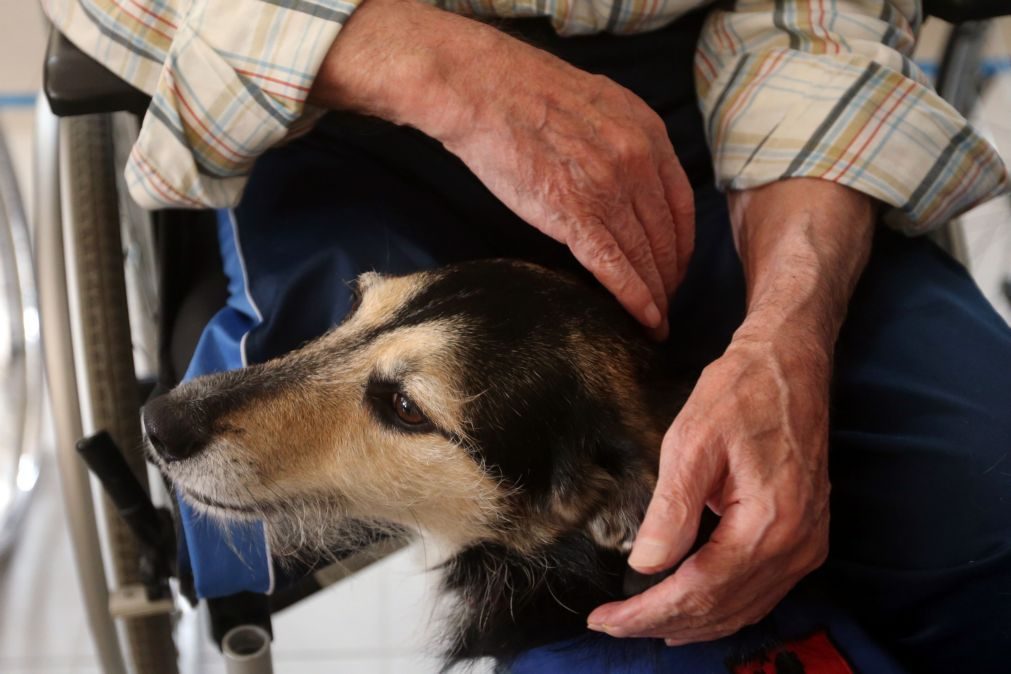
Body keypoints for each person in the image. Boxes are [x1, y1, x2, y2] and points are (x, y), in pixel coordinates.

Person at [43, 0, 1011, 671]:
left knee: (986, 476)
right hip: (332, 89)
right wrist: (422, 62)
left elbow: (821, 25)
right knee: (268, 426)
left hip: (717, 105)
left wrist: (789, 332)